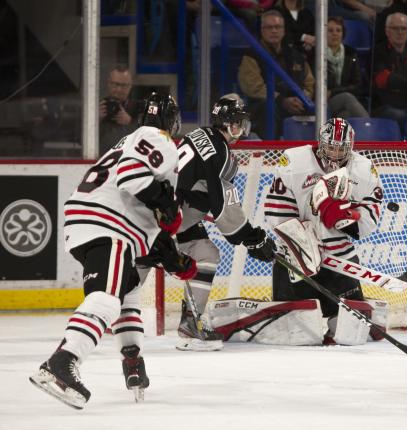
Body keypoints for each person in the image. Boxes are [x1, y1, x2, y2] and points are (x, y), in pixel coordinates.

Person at [29, 93, 194, 409]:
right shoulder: (156, 138)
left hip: (91, 222)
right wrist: (166, 203)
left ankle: (132, 362)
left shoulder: (127, 140)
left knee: (128, 289)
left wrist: (174, 258)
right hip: (109, 225)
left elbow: (148, 220)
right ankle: (63, 361)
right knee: (106, 296)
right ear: (170, 118)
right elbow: (133, 178)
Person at [263, 117, 383, 341]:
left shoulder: (364, 170)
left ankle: (348, 316)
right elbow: (276, 212)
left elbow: (369, 221)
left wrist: (343, 217)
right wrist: (303, 242)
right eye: (331, 147)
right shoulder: (294, 161)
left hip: (339, 259)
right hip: (295, 259)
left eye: (341, 148)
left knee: (348, 334)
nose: (335, 153)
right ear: (320, 142)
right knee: (295, 335)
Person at [173, 94, 277, 351]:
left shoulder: (197, 135)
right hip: (167, 220)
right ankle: (101, 318)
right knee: (134, 270)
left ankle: (191, 321)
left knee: (206, 252)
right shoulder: (220, 154)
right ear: (229, 124)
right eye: (238, 123)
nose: (241, 129)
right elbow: (224, 209)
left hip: (167, 215)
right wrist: (253, 238)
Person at [238, 9, 315, 139]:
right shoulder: (252, 55)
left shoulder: (296, 55)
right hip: (265, 105)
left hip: (297, 104)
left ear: (284, 30)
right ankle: (270, 152)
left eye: (277, 27)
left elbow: (309, 83)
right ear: (262, 30)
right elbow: (253, 87)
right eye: (269, 27)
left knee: (322, 109)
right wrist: (281, 100)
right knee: (268, 107)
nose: (274, 30)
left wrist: (303, 99)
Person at [326, 16, 369, 118]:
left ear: (343, 34)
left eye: (338, 30)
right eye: (330, 30)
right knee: (347, 98)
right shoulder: (316, 54)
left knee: (346, 115)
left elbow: (357, 86)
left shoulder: (351, 54)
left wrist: (333, 91)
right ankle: (370, 129)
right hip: (324, 103)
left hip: (345, 102)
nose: (335, 33)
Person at [99, 65, 141, 156]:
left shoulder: (139, 109)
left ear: (130, 87)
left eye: (124, 86)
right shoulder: (93, 108)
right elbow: (78, 139)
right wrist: (95, 121)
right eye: (115, 84)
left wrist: (130, 122)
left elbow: (148, 139)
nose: (119, 90)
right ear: (108, 84)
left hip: (128, 161)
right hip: (101, 160)